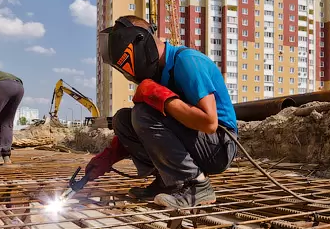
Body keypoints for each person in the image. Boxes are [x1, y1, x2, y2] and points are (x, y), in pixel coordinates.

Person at [85, 15, 238, 209]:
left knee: (142, 113)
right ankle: (167, 181)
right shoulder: (159, 73)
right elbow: (146, 130)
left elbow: (209, 123)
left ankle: (196, 186)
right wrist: (109, 156)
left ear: (140, 44)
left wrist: (160, 97)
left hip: (220, 146)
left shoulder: (186, 61)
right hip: (200, 142)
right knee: (123, 119)